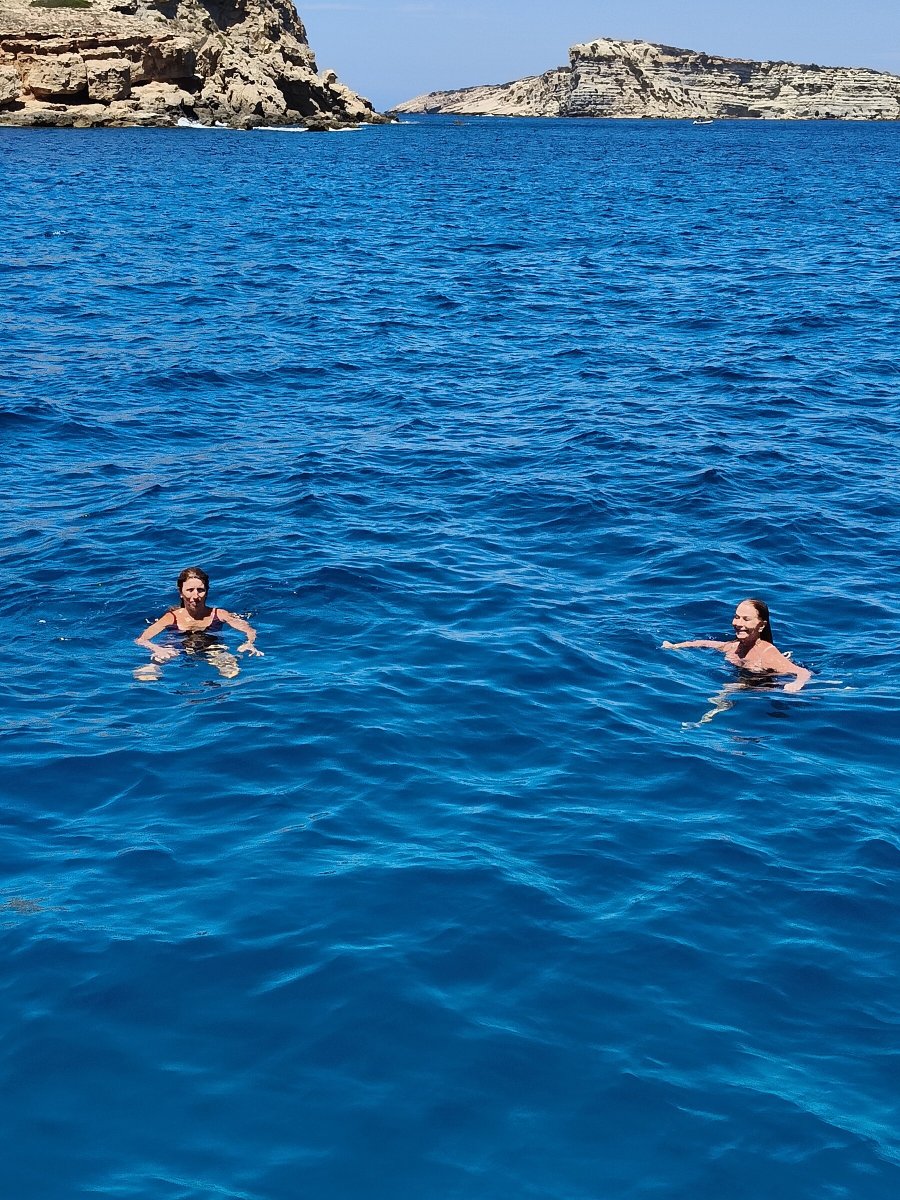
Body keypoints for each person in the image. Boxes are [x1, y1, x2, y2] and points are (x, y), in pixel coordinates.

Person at [662, 598, 811, 718]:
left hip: (763, 691)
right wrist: (676, 646)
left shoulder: (767, 653)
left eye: (746, 619)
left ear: (761, 625)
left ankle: (706, 719)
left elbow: (803, 672)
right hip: (744, 682)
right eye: (736, 617)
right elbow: (705, 643)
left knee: (728, 689)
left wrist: (796, 684)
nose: (738, 623)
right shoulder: (734, 646)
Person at [135, 567, 262, 681]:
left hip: (211, 646)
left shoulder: (219, 614)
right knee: (158, 661)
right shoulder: (171, 617)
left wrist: (249, 643)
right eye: (190, 590)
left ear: (207, 591)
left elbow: (249, 630)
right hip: (175, 646)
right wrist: (158, 649)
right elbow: (141, 640)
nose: (195, 596)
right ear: (181, 592)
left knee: (231, 671)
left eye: (200, 590)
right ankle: (153, 667)